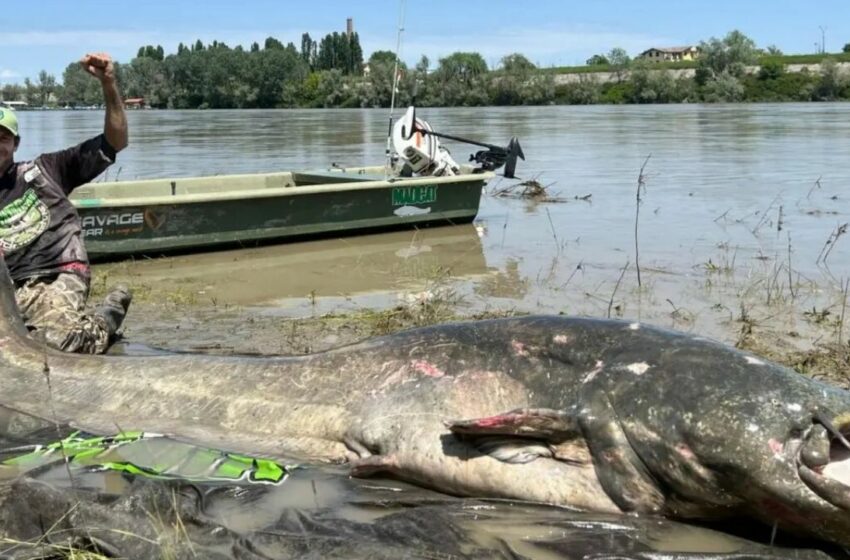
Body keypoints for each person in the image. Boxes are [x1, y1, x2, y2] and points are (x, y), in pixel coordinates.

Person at [0, 52, 131, 354]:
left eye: (2, 138)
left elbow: (116, 142)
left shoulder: (46, 169)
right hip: (10, 287)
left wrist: (109, 85)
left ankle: (106, 318)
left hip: (57, 271)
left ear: (15, 144)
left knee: (58, 345)